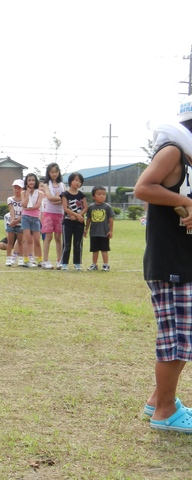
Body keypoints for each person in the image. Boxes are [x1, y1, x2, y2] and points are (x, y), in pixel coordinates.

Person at [134, 94, 192, 432]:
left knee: (182, 337)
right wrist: (185, 200)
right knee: (175, 339)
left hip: (180, 260)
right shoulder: (172, 150)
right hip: (171, 262)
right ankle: (165, 413)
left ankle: (158, 399)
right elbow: (143, 188)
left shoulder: (185, 154)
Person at [60, 172, 88, 271]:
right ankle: (64, 263)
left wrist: (78, 217)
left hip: (79, 224)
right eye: (76, 180)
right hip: (67, 223)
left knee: (78, 244)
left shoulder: (82, 195)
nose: (77, 183)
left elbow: (85, 207)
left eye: (80, 181)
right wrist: (77, 216)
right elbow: (65, 208)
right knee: (66, 244)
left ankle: (77, 263)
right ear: (70, 181)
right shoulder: (65, 194)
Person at [84, 185, 114, 271]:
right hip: (94, 233)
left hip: (104, 232)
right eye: (99, 194)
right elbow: (89, 219)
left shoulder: (107, 207)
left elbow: (111, 219)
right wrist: (86, 229)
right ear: (93, 196)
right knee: (95, 250)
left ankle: (105, 264)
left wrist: (111, 231)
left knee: (104, 249)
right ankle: (94, 264)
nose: (102, 196)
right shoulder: (91, 207)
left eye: (104, 194)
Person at [41, 163, 65, 270]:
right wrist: (58, 200)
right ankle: (45, 260)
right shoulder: (46, 184)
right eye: (52, 172)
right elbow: (50, 197)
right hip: (49, 213)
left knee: (58, 238)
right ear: (49, 173)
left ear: (58, 172)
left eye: (56, 172)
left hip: (60, 214)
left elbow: (65, 199)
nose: (54, 174)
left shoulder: (62, 185)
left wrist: (58, 200)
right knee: (48, 237)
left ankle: (59, 260)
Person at [20, 173, 44, 267]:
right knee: (27, 240)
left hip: (35, 218)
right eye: (29, 180)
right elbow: (24, 205)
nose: (31, 182)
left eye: (33, 180)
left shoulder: (40, 193)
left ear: (36, 181)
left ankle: (40, 260)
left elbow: (37, 206)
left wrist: (28, 208)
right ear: (26, 181)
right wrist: (27, 194)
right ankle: (26, 260)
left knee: (37, 240)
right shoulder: (23, 192)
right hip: (25, 218)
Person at [5, 179, 24, 266]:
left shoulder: (25, 200)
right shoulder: (10, 199)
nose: (17, 190)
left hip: (20, 223)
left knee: (20, 242)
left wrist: (18, 220)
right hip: (11, 222)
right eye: (15, 188)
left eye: (19, 188)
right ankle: (8, 258)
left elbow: (24, 212)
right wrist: (13, 221)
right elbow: (11, 209)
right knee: (10, 241)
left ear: (22, 189)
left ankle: (20, 259)